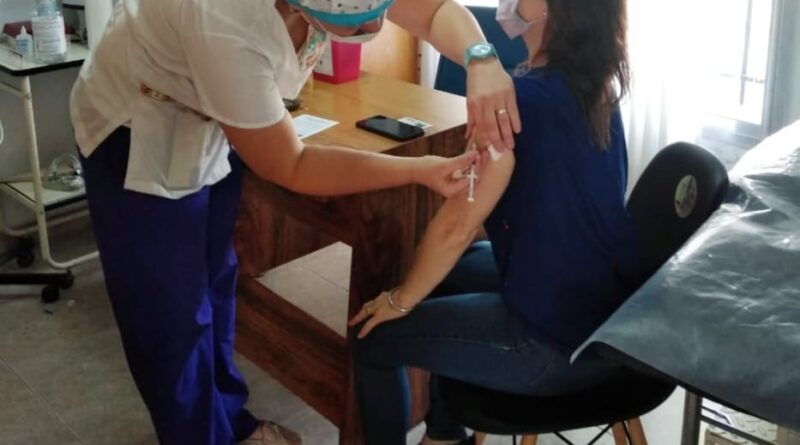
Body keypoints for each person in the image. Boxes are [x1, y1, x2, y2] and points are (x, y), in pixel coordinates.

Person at [69, 0, 524, 443]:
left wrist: (481, 59)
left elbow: (433, 11)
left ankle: (230, 420)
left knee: (217, 281)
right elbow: (293, 164)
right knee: (169, 315)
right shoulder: (221, 18)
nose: (379, 25)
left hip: (209, 118)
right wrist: (416, 170)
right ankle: (196, 434)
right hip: (137, 129)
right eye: (361, 22)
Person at [348, 0, 638, 444]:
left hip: (553, 346)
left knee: (373, 340)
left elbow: (456, 228)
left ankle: (436, 428)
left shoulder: (514, 105)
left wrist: (399, 300)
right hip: (606, 318)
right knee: (451, 272)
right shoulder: (596, 84)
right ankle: (446, 434)